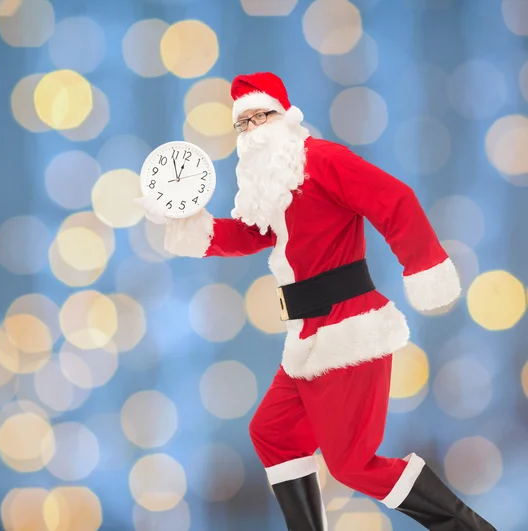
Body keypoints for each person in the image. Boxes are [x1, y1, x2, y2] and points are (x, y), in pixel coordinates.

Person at [136, 72, 496, 531]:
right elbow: (253, 233)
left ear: (284, 116)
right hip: (306, 335)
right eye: (241, 124)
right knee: (273, 432)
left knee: (353, 465)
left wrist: (423, 267)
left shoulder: (323, 160)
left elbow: (394, 199)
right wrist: (192, 223)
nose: (250, 130)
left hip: (350, 330)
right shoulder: (274, 186)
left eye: (259, 116)